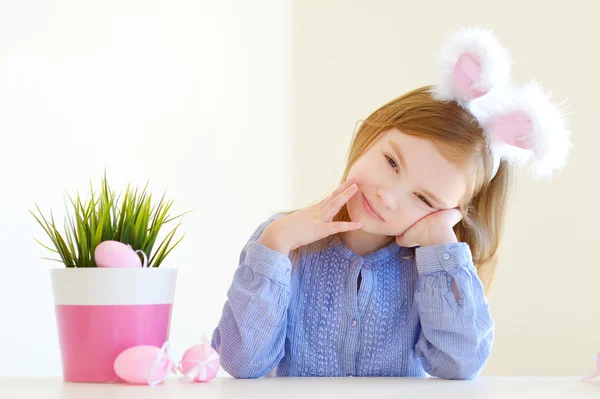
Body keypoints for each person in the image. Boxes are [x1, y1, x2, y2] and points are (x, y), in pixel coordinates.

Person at [210, 26, 572, 380]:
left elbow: (459, 366)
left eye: (423, 197)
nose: (387, 195)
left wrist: (442, 246)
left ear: (449, 213)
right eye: (392, 162)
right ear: (372, 133)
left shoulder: (429, 270)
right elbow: (242, 363)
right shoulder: (283, 241)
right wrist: (275, 243)